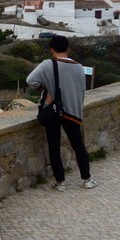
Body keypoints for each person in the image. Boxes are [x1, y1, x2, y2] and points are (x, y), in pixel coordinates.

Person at [26, 35, 96, 192]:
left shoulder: (47, 65)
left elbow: (31, 80)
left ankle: (60, 183)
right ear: (68, 48)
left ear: (51, 50)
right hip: (72, 111)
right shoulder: (79, 67)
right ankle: (87, 179)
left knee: (54, 146)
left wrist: (45, 90)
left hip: (53, 111)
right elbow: (81, 91)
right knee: (78, 145)